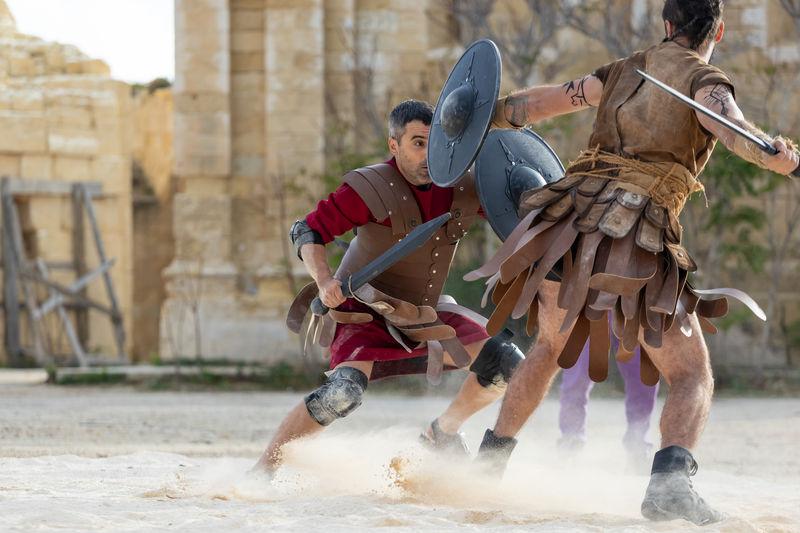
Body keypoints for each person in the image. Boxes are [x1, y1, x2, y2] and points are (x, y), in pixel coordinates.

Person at [470, 0, 799, 525]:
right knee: (691, 374)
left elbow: (535, 105)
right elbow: (733, 129)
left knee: (550, 346)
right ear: (719, 31)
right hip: (633, 233)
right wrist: (780, 158)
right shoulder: (706, 81)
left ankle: (487, 466)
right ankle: (669, 487)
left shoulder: (623, 71)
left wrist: (476, 116)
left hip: (567, 226)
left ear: (667, 25)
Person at [254, 100, 525, 472]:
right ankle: (264, 469)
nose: (428, 154)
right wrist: (325, 280)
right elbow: (308, 230)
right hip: (362, 312)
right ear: (394, 145)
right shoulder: (370, 187)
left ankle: (442, 432)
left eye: (434, 143)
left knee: (507, 365)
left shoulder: (461, 188)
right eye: (417, 143)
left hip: (423, 313)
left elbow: (516, 205)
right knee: (343, 394)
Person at [558, 325, 658, 472]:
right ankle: (570, 442)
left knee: (642, 375)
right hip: (590, 310)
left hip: (634, 311)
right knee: (578, 373)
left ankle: (638, 448)